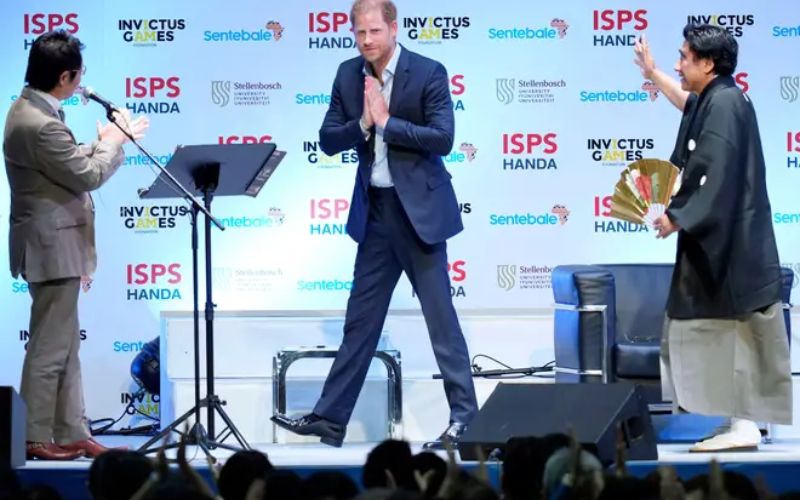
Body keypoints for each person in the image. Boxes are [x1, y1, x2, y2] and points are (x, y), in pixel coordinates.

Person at [271, 0, 478, 449]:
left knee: (442, 324)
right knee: (360, 323)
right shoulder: (348, 74)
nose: (366, 40)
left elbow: (443, 138)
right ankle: (330, 420)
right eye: (360, 32)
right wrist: (364, 123)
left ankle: (466, 420)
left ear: (394, 28)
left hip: (421, 217)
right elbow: (328, 139)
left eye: (375, 32)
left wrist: (387, 122)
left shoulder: (428, 72)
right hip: (376, 214)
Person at [635, 25, 792, 452]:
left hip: (733, 243)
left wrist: (677, 217)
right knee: (724, 330)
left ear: (707, 63)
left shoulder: (725, 103)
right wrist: (652, 74)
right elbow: (688, 105)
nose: (677, 64)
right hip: (725, 238)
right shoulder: (718, 97)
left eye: (684, 58)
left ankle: (745, 424)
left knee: (740, 329)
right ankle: (737, 420)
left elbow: (712, 171)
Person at [4, 30, 149, 460]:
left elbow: (64, 161)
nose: (82, 83)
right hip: (51, 246)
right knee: (50, 348)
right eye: (79, 75)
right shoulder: (40, 123)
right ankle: (34, 436)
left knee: (65, 347)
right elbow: (87, 175)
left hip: (55, 244)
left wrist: (102, 144)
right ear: (65, 77)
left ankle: (70, 431)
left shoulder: (32, 110)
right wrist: (114, 144)